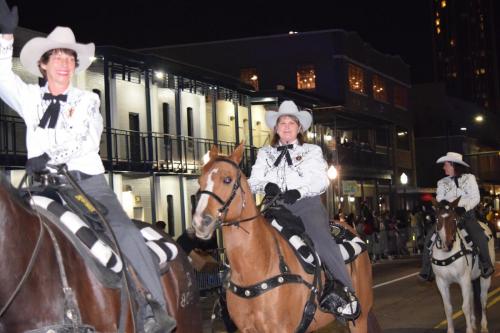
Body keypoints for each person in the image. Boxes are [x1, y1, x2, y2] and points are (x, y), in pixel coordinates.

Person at [0, 2, 174, 332]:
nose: (65, 64)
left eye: (70, 58)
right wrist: (5, 36)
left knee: (122, 232)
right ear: (43, 64)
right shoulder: (29, 98)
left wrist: (48, 155)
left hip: (84, 184)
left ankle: (153, 304)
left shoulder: (86, 101)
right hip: (39, 187)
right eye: (58, 58)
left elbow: (85, 139)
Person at [248, 100, 360, 321]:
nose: (287, 126)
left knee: (321, 240)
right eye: (282, 122)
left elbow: (320, 180)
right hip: (273, 206)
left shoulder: (311, 151)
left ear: (299, 128)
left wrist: (299, 192)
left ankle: (345, 293)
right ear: (276, 128)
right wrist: (265, 186)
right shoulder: (265, 153)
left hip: (305, 205)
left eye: (292, 122)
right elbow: (252, 181)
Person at [419, 152, 494, 281]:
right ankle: (426, 269)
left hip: (466, 215)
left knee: (480, 236)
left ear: (453, 165)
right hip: (448, 216)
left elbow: (476, 198)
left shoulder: (470, 178)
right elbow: (440, 197)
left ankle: (486, 264)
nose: (444, 167)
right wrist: (444, 204)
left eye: (446, 165)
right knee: (429, 238)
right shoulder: (441, 182)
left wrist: (463, 208)